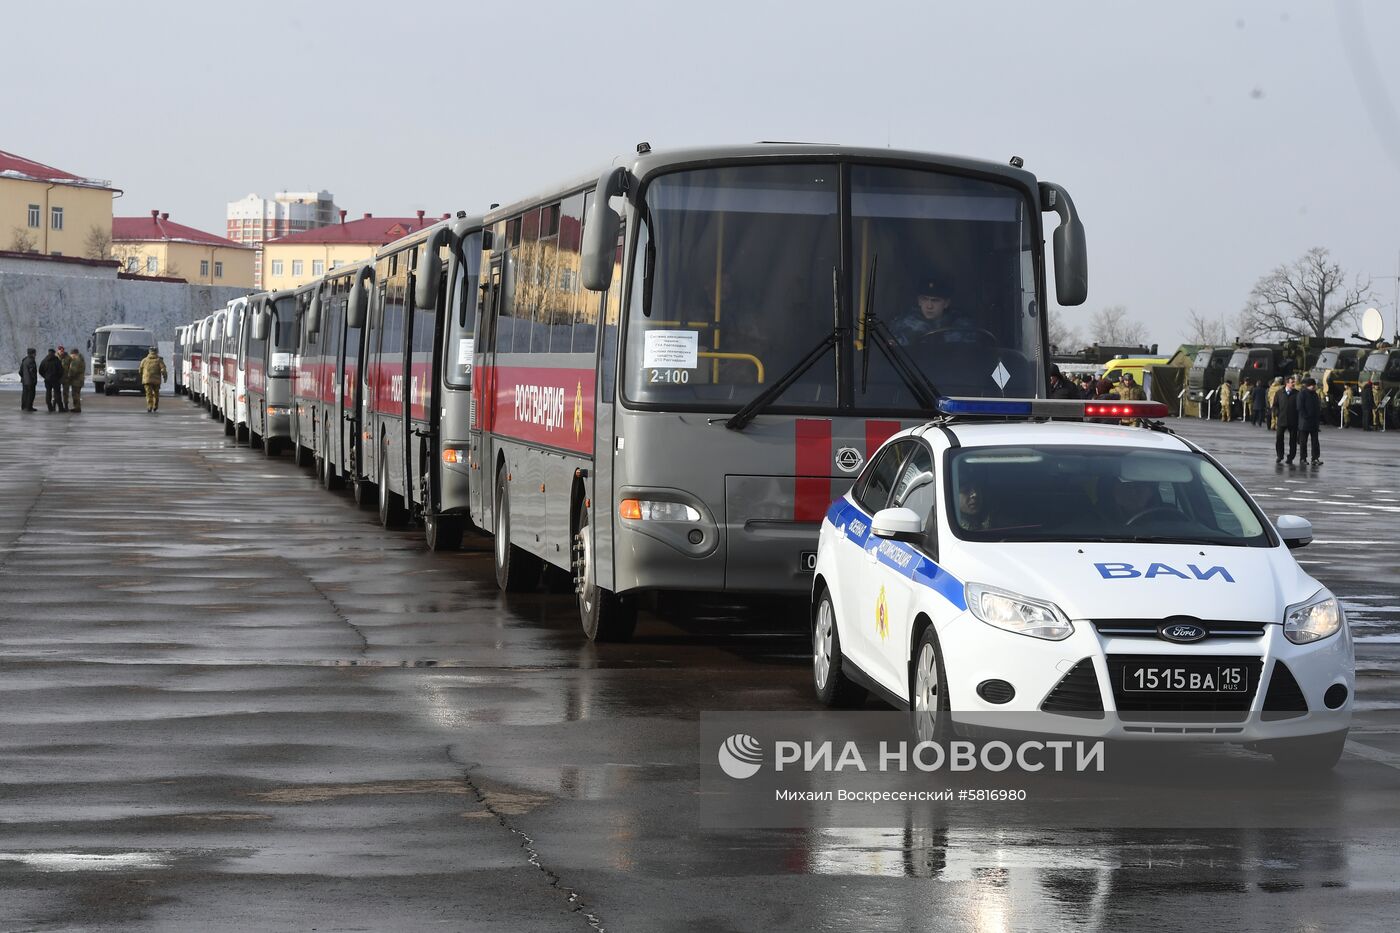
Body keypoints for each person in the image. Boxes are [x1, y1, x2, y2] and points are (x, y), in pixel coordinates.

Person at [890, 276, 978, 347]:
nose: (929, 306)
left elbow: (966, 351)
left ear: (946, 303)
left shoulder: (961, 324)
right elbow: (894, 346)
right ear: (919, 301)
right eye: (924, 299)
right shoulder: (905, 322)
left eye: (935, 300)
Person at [1273, 375, 1299, 463]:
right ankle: (1280, 455)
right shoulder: (1279, 393)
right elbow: (1275, 405)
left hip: (1293, 420)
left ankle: (1291, 457)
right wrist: (1277, 413)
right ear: (1287, 383)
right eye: (1292, 382)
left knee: (1293, 440)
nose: (1294, 384)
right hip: (1282, 419)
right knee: (1279, 438)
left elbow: (1299, 407)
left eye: (1294, 382)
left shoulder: (1297, 393)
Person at [1297, 377, 1322, 465]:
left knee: (1315, 442)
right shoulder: (1302, 394)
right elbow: (1300, 407)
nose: (1314, 387)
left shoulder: (1315, 394)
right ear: (1309, 385)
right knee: (1303, 442)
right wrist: (1306, 416)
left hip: (1314, 422)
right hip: (1305, 422)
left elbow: (1317, 407)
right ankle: (1303, 458)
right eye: (1313, 385)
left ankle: (1315, 458)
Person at [138, 346, 167, 413]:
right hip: (156, 380)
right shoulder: (159, 360)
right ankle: (155, 406)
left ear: (149, 352)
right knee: (156, 394)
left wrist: (142, 376)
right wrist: (165, 377)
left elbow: (140, 370)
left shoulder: (144, 360)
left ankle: (149, 406)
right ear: (156, 352)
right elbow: (163, 369)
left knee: (148, 394)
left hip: (147, 380)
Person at [38, 348, 65, 412]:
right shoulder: (57, 360)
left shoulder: (44, 360)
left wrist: (45, 376)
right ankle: (60, 408)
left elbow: (40, 370)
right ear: (54, 353)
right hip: (55, 380)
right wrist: (58, 377)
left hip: (47, 380)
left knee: (48, 393)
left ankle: (50, 407)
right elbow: (61, 371)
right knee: (57, 393)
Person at [65, 344, 85, 413]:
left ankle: (77, 408)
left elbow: (73, 371)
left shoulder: (76, 361)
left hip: (76, 381)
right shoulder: (81, 359)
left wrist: (69, 377)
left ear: (74, 354)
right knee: (77, 394)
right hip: (80, 380)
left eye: (71, 355)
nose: (71, 357)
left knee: (75, 394)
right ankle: (77, 407)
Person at [19, 348, 38, 412]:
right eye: (35, 353)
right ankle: (29, 407)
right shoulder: (31, 360)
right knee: (31, 394)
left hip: (24, 381)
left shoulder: (24, 360)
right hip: (30, 381)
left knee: (24, 394)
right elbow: (32, 371)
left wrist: (23, 377)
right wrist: (34, 379)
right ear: (32, 353)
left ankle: (24, 406)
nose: (36, 354)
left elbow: (20, 371)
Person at [55, 347, 70, 411]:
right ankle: (54, 405)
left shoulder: (68, 358)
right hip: (57, 378)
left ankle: (66, 405)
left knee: (66, 392)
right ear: (58, 351)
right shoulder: (55, 357)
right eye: (60, 351)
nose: (61, 352)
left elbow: (71, 366)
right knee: (56, 392)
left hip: (66, 377)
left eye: (62, 351)